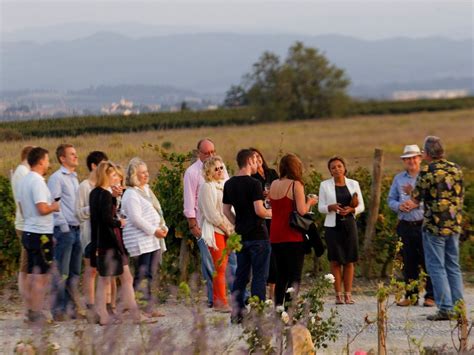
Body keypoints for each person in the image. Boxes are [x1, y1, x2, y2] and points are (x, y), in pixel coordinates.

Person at [405, 136, 464, 321]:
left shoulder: (427, 171)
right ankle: (459, 306)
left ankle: (446, 307)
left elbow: (416, 199)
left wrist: (408, 202)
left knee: (436, 266)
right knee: (453, 266)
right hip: (454, 224)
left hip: (434, 226)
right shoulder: (456, 169)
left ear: (428, 153)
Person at [90, 161, 143, 325]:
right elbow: (107, 219)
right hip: (111, 242)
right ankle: (133, 314)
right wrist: (119, 223)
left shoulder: (94, 193)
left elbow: (99, 217)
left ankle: (105, 315)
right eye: (113, 175)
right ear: (105, 176)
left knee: (108, 279)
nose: (117, 179)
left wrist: (114, 199)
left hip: (101, 242)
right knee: (122, 278)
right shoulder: (105, 194)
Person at [223, 149, 272, 323]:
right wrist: (272, 213)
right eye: (255, 161)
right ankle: (257, 313)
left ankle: (237, 312)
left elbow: (225, 210)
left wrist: (238, 223)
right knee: (259, 276)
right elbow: (259, 210)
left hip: (242, 235)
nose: (257, 164)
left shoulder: (229, 184)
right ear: (250, 161)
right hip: (258, 235)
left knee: (242, 275)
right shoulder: (254, 184)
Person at [183, 138, 230, 308]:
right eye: (207, 152)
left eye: (213, 151)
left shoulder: (223, 179)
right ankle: (216, 299)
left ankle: (230, 296)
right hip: (208, 227)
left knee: (229, 264)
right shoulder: (194, 175)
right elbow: (192, 203)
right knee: (213, 264)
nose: (211, 155)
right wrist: (192, 224)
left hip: (226, 227)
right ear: (199, 153)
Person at [388, 145, 435, 307]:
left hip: (423, 223)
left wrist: (415, 204)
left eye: (414, 157)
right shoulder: (398, 179)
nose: (411, 161)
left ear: (420, 158)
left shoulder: (427, 177)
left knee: (428, 260)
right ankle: (411, 295)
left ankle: (431, 296)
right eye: (407, 158)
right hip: (405, 224)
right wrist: (399, 206)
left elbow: (433, 200)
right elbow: (390, 200)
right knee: (409, 261)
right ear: (403, 161)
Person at [17, 147, 60, 322]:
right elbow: (42, 208)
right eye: (47, 160)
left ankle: (31, 310)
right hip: (40, 232)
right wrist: (54, 207)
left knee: (31, 272)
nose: (49, 163)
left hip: (28, 230)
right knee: (41, 276)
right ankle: (37, 311)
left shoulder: (25, 180)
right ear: (41, 161)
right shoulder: (37, 182)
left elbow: (20, 207)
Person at [269, 153, 317, 306]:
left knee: (281, 274)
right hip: (292, 234)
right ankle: (290, 309)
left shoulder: (274, 184)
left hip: (275, 234)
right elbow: (302, 211)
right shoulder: (296, 184)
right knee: (294, 275)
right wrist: (310, 201)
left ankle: (278, 308)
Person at [122, 158, 167, 315]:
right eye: (142, 173)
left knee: (150, 272)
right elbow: (136, 218)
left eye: (147, 172)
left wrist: (162, 227)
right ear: (134, 175)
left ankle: (148, 306)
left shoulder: (147, 190)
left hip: (152, 239)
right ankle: (137, 306)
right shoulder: (131, 194)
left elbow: (156, 210)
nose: (146, 175)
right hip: (140, 240)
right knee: (142, 273)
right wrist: (154, 230)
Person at [318, 156, 364, 305]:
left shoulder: (354, 184)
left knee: (350, 260)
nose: (337, 169)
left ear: (344, 168)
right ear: (330, 171)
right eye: (333, 167)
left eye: (339, 166)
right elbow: (320, 207)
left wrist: (352, 209)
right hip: (333, 226)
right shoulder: (324, 185)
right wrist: (330, 207)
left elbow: (361, 206)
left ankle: (348, 294)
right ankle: (338, 295)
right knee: (335, 260)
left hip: (349, 225)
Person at [47, 143, 82, 320]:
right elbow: (55, 205)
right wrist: (65, 228)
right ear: (62, 158)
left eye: (75, 153)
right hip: (65, 230)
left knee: (75, 271)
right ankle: (57, 310)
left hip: (77, 229)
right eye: (72, 154)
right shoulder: (57, 178)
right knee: (60, 270)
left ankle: (70, 308)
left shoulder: (74, 178)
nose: (76, 156)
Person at [75, 150, 109, 320]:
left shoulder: (106, 185)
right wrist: (95, 206)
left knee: (106, 269)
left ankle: (106, 305)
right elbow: (78, 213)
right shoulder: (84, 186)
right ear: (94, 166)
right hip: (89, 233)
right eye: (103, 165)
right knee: (92, 270)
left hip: (105, 233)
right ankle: (90, 306)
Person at [198, 156, 234, 312]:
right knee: (220, 265)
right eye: (216, 168)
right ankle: (220, 302)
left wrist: (232, 228)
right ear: (209, 172)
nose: (219, 171)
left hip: (229, 228)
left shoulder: (225, 185)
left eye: (221, 168)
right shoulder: (207, 187)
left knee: (228, 266)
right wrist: (226, 228)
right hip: (215, 229)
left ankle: (223, 298)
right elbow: (211, 213)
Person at [250, 147, 279, 300]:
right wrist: (260, 195)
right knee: (266, 253)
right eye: (254, 158)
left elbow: (280, 188)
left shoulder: (272, 173)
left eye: (259, 156)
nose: (258, 159)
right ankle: (263, 289)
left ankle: (273, 291)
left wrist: (272, 193)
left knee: (275, 253)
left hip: (275, 214)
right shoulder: (252, 177)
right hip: (262, 218)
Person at [11, 145, 34, 312]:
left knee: (27, 264)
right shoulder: (22, 172)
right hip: (25, 224)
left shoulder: (23, 172)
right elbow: (21, 200)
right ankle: (27, 305)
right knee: (25, 265)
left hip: (26, 223)